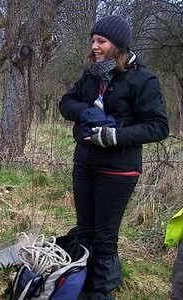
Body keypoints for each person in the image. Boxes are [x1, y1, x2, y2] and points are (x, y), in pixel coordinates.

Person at [58, 15, 169, 300]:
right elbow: (65, 102)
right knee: (85, 229)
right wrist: (86, 113)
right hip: (84, 163)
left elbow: (158, 126)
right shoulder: (91, 75)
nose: (94, 46)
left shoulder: (142, 79)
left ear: (117, 45)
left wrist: (114, 136)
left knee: (105, 236)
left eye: (101, 41)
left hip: (119, 169)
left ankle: (101, 291)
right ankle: (79, 284)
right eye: (93, 40)